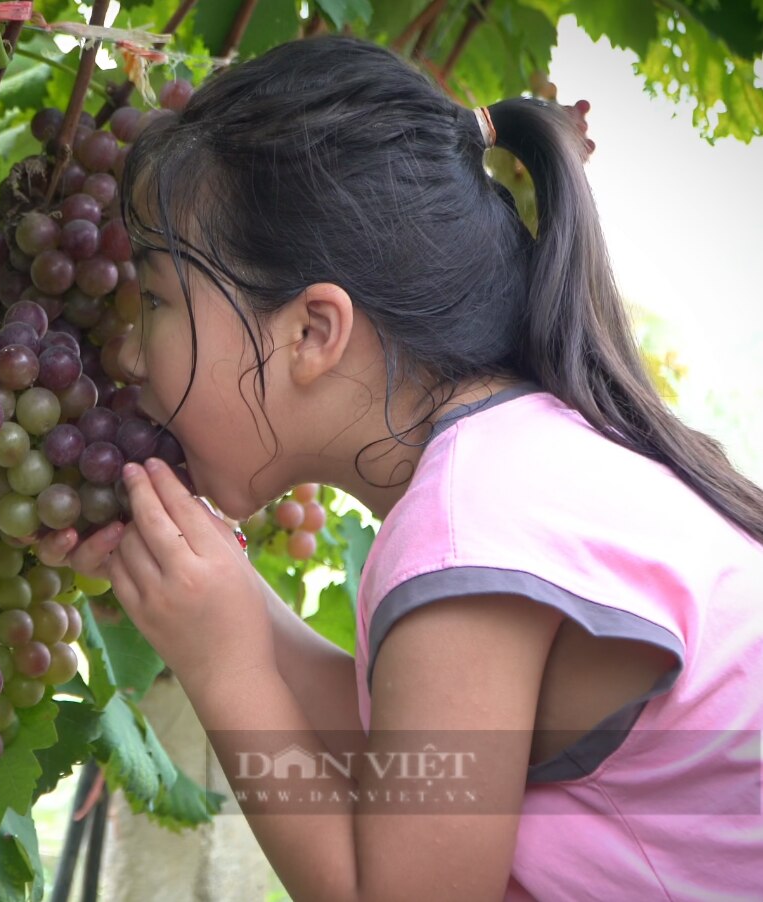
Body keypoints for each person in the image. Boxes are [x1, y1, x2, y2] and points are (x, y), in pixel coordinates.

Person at [37, 34, 763, 901]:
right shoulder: (515, 469)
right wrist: (218, 596)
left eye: (156, 299)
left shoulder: (469, 526)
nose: (125, 348)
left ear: (311, 332)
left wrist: (222, 668)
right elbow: (418, 762)